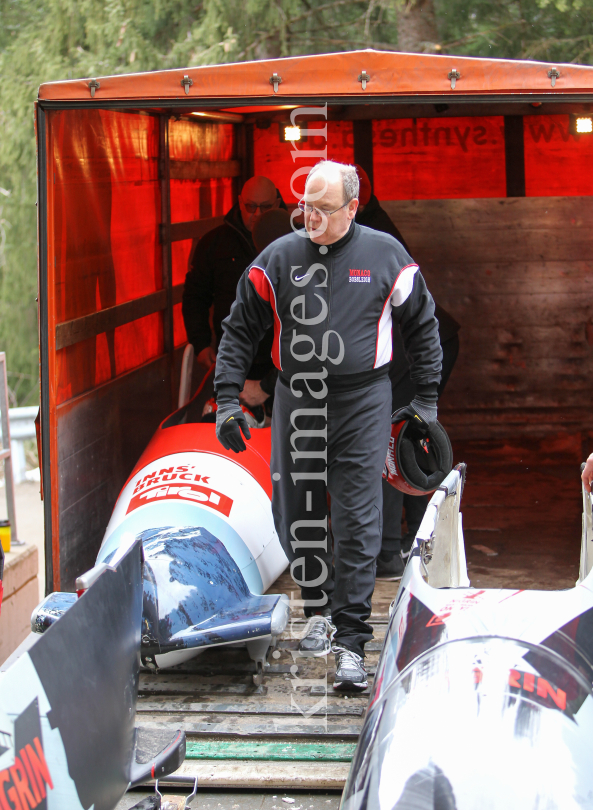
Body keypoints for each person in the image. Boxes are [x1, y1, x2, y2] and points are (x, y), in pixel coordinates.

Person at [212, 160, 442, 691]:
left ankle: (353, 641)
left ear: (352, 208)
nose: (307, 215)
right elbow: (239, 327)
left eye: (320, 207)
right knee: (294, 514)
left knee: (359, 521)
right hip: (299, 399)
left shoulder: (386, 256)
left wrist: (425, 401)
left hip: (363, 401)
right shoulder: (278, 259)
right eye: (303, 205)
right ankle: (318, 607)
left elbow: (424, 326)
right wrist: (227, 400)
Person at [354, 165, 461, 580]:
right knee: (404, 436)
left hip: (414, 346)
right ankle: (413, 540)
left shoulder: (372, 233)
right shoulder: (361, 228)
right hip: (407, 345)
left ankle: (392, 552)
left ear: (354, 200)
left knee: (394, 439)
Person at [182, 176, 285, 414]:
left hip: (280, 361)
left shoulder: (296, 243)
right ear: (239, 202)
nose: (257, 213)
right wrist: (200, 342)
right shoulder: (214, 243)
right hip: (234, 358)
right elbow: (195, 295)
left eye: (266, 207)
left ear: (278, 203)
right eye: (250, 206)